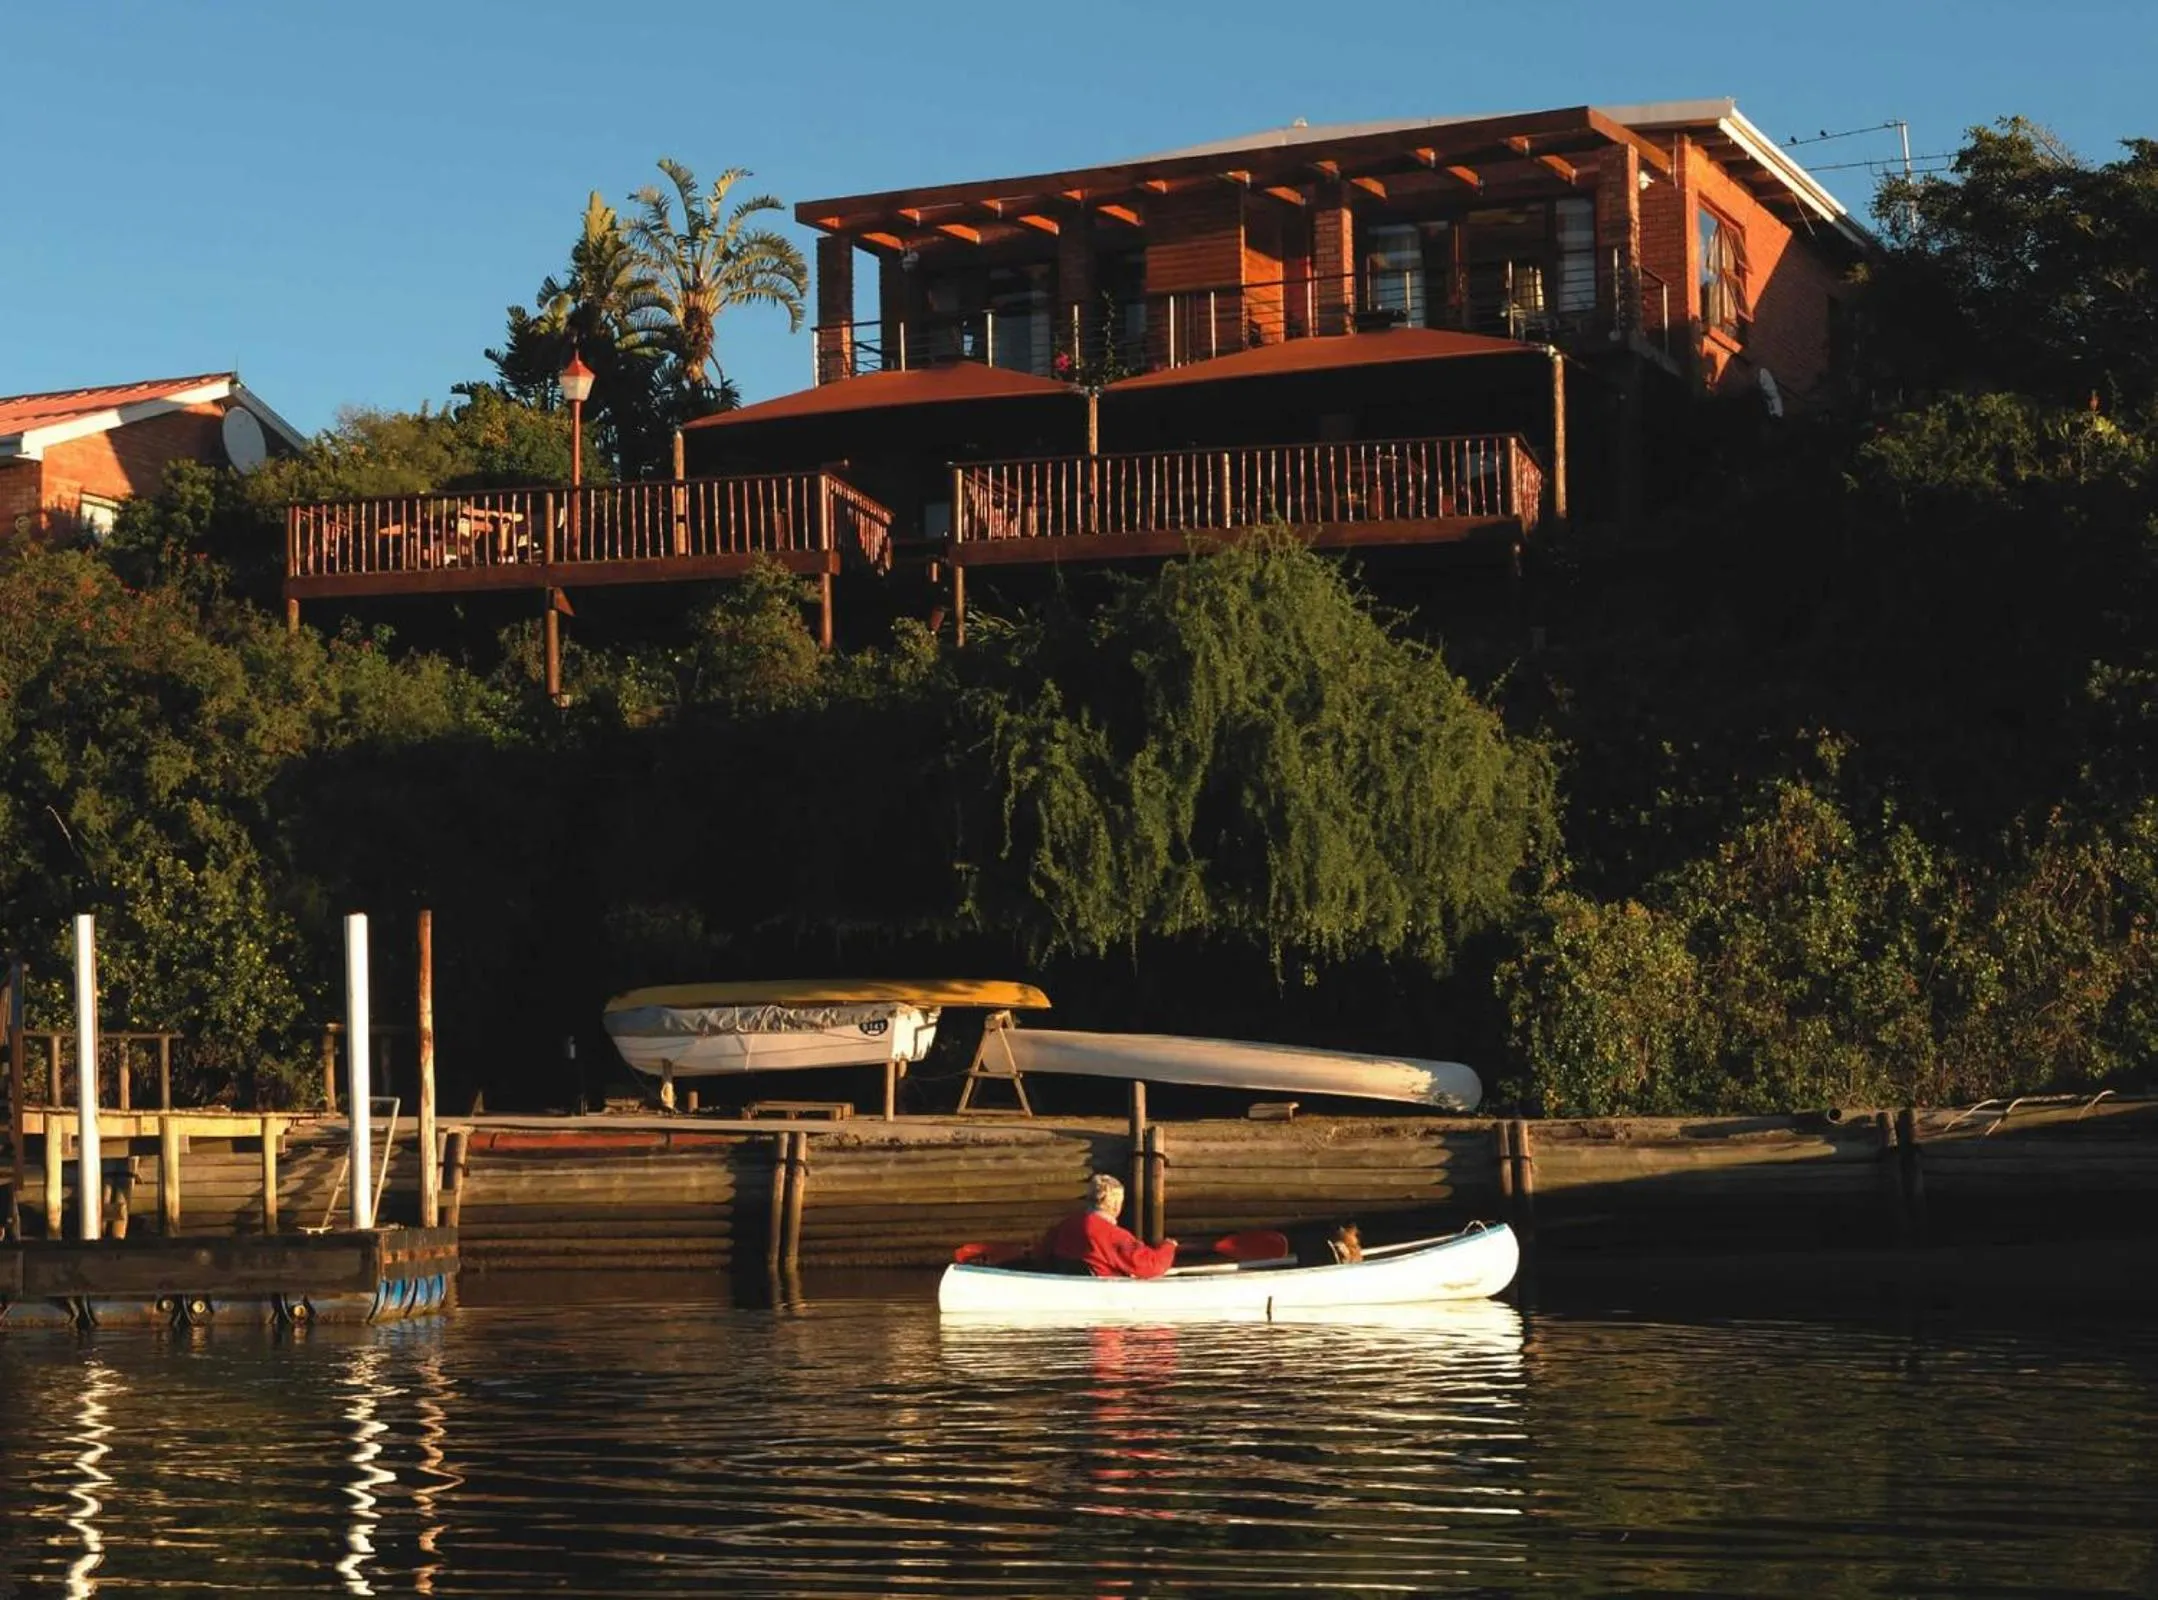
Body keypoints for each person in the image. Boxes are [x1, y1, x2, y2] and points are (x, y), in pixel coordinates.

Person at [1037, 1174, 1178, 1278]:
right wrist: (1168, 1247)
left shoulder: (1065, 1225)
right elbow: (1151, 1265)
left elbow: (1041, 1254)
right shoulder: (1113, 1235)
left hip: (1065, 1285)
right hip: (1097, 1292)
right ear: (1116, 1204)